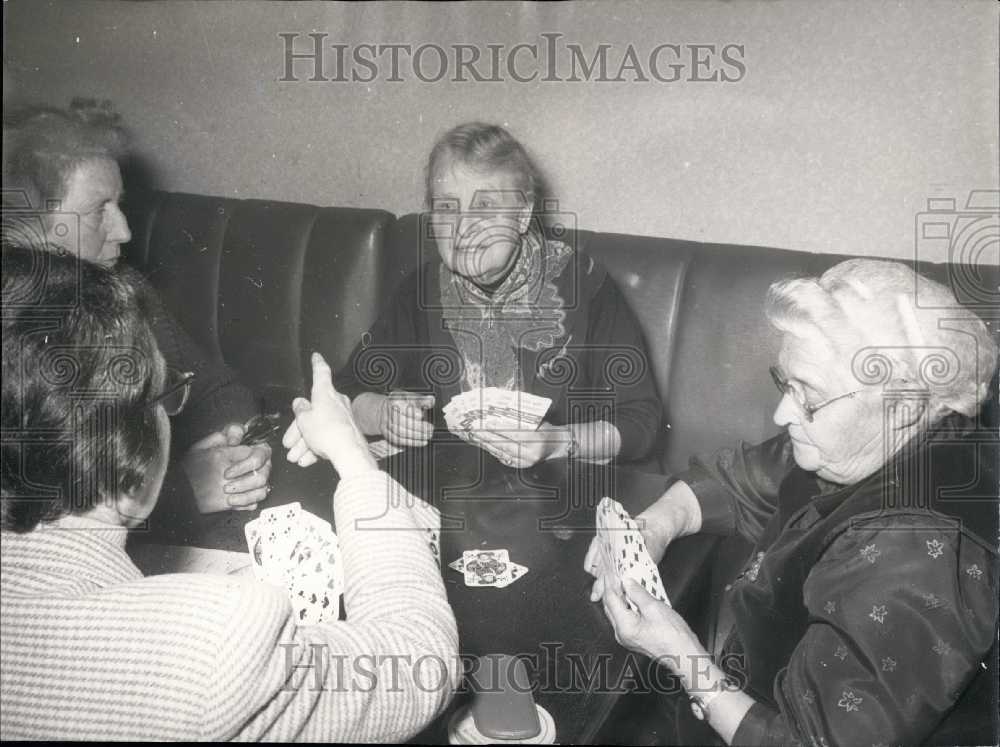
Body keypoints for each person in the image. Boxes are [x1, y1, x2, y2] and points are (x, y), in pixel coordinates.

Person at [0, 246, 459, 741]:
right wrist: (354, 456)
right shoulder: (218, 640)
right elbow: (422, 661)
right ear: (126, 456)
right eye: (166, 395)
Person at [585, 259, 998, 745]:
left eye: (809, 397)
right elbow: (738, 478)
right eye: (787, 384)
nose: (784, 413)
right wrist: (656, 525)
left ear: (903, 409)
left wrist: (678, 653)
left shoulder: (917, 552)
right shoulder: (867, 438)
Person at [1, 100, 271, 521]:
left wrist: (233, 443)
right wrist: (179, 489)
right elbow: (36, 518)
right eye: (97, 211)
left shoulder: (125, 293)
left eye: (120, 204)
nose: (124, 231)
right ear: (26, 226)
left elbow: (219, 389)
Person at [336, 122, 662, 468]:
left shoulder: (586, 286)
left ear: (522, 215)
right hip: (453, 495)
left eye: (484, 207)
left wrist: (556, 442)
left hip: (565, 488)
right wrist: (383, 414)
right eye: (447, 208)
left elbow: (641, 421)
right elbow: (347, 387)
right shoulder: (421, 290)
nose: (462, 229)